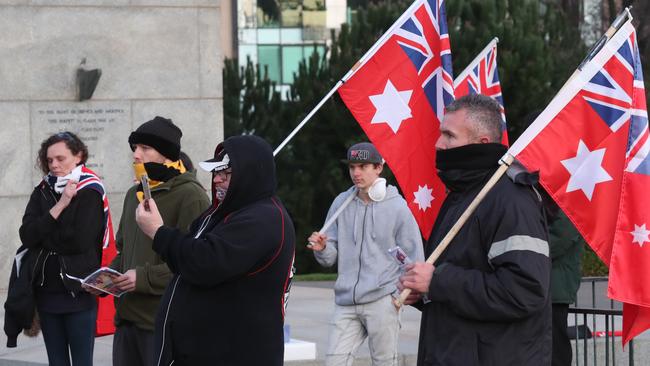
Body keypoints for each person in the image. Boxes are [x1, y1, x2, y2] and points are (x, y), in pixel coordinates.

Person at [399, 94, 551, 366]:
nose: (438, 144)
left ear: (482, 142)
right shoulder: (462, 195)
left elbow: (524, 291)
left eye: (449, 135)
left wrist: (437, 282)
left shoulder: (511, 199)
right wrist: (425, 292)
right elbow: (461, 277)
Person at [134, 135, 296, 365]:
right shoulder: (221, 214)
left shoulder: (263, 219)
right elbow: (186, 257)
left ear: (248, 176)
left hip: (236, 354)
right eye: (216, 173)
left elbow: (203, 262)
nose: (217, 180)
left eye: (226, 174)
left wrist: (158, 232)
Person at [105, 116, 210, 366]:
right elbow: (124, 251)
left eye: (145, 148)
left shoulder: (191, 196)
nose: (136, 155)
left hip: (161, 325)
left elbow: (196, 262)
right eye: (134, 148)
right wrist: (105, 279)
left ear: (166, 154)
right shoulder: (134, 195)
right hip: (126, 322)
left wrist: (143, 278)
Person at [307, 142, 424, 366]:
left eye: (363, 166)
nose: (356, 173)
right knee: (334, 362)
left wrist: (397, 296)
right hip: (345, 303)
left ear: (379, 167)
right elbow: (329, 258)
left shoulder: (397, 207)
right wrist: (322, 250)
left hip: (383, 301)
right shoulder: (341, 202)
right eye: (352, 167)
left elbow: (414, 258)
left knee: (384, 363)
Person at [18, 131, 107, 366]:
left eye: (60, 158)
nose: (54, 165)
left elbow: (78, 241)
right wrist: (61, 205)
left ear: (78, 156)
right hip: (46, 293)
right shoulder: (43, 189)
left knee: (81, 362)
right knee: (56, 362)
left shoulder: (90, 190)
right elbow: (27, 235)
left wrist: (43, 233)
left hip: (78, 290)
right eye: (49, 160)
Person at [542, 193, 583, 366]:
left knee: (556, 346)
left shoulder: (570, 203)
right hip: (550, 284)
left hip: (555, 287)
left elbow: (560, 239)